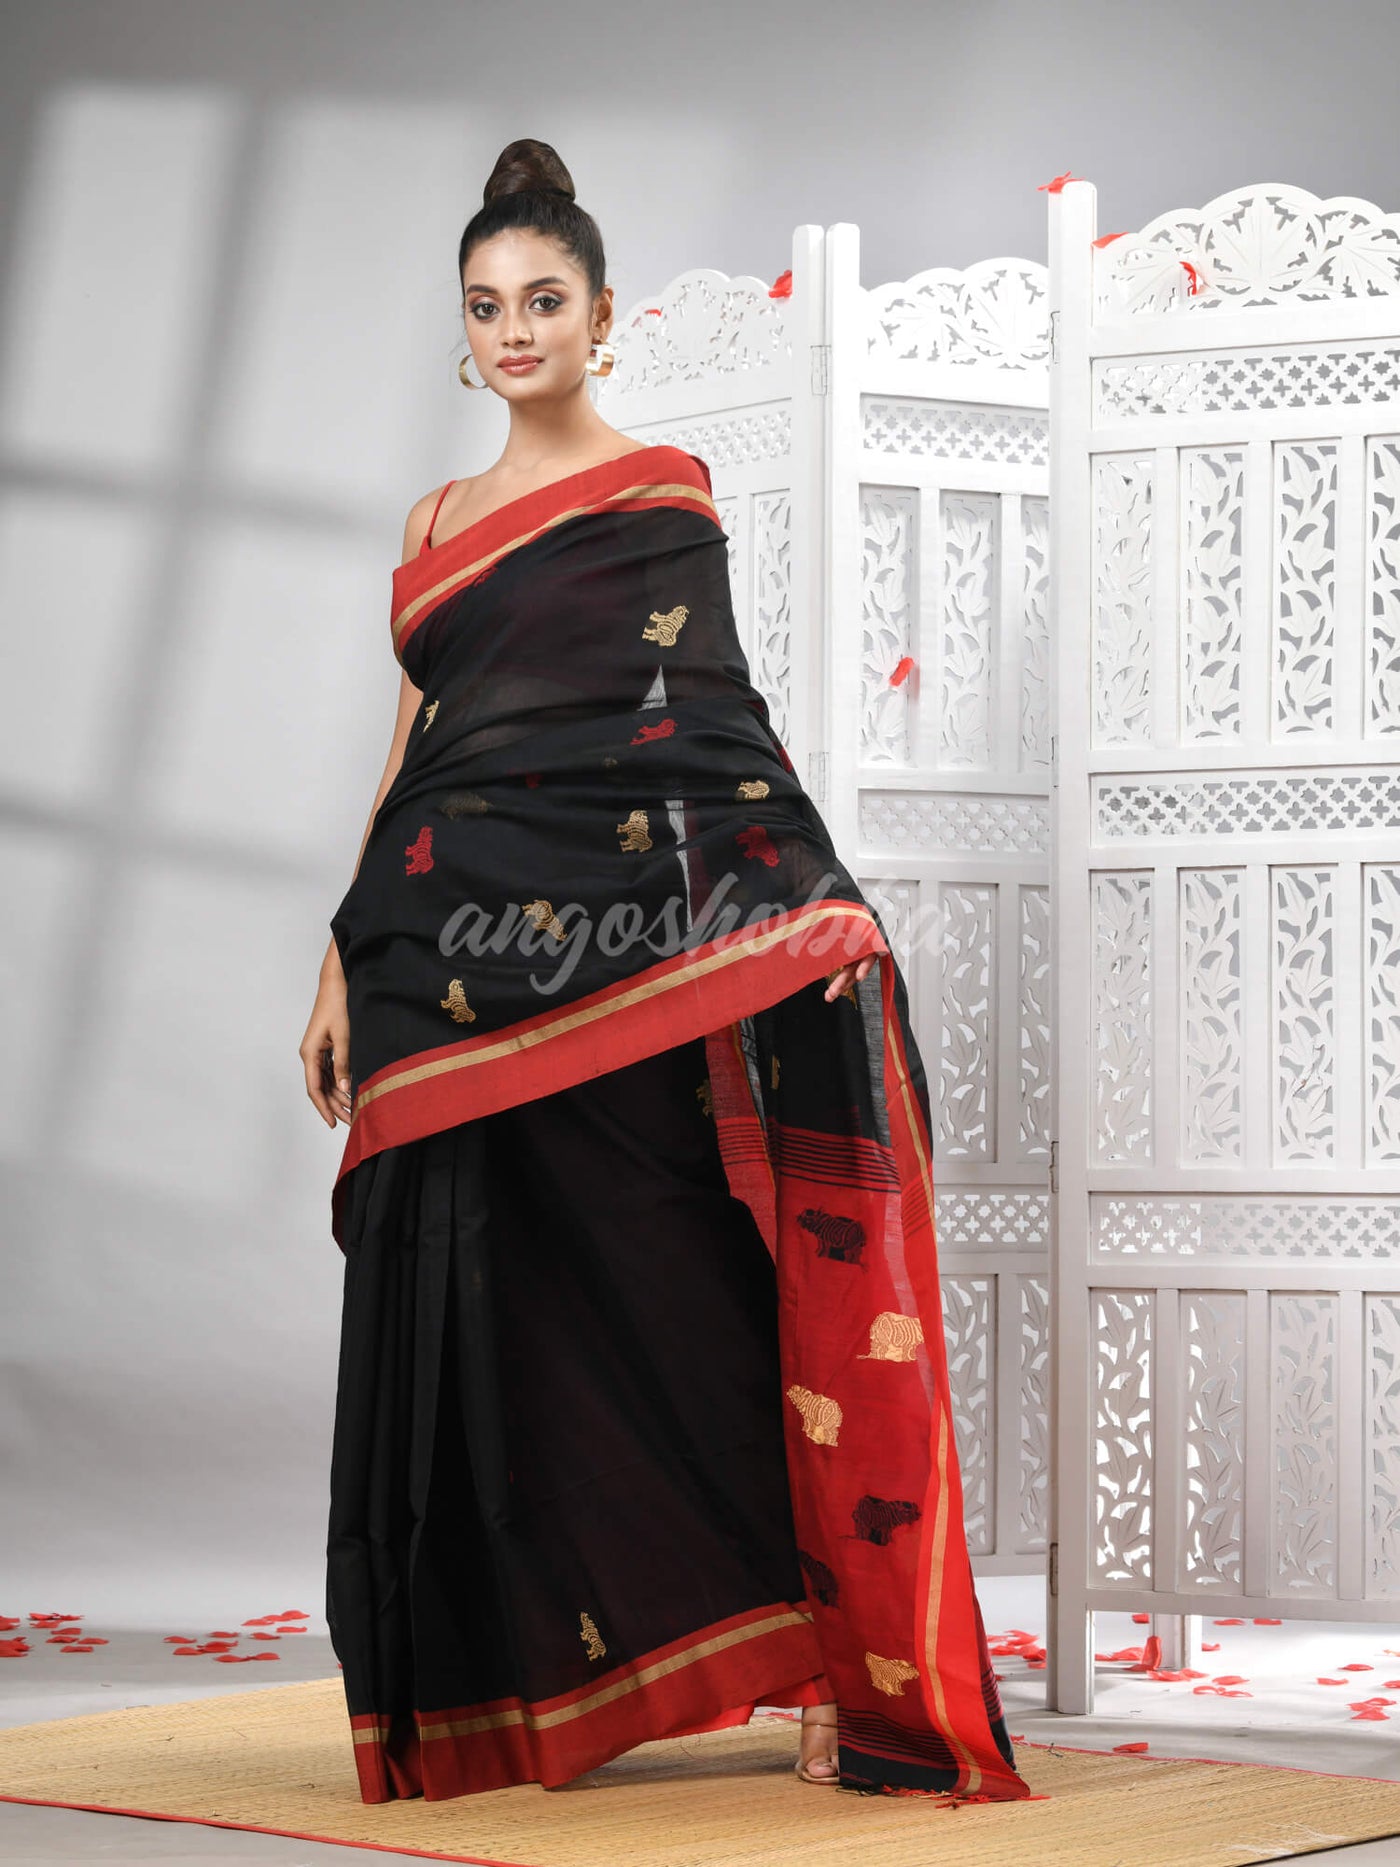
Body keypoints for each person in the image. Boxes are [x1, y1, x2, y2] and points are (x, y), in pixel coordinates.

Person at [299, 136, 1030, 1812]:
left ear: (603, 317)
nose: (514, 330)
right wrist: (340, 952)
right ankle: (504, 1690)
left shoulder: (659, 492)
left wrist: (809, 908)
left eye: (543, 300)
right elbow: (412, 759)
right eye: (486, 306)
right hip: (433, 961)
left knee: (672, 1281)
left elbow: (705, 727)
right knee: (476, 1298)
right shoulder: (431, 523)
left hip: (607, 952)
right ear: (463, 329)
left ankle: (819, 1654)